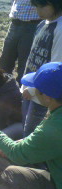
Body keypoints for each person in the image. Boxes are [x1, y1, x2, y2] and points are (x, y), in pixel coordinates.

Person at [21, 0, 62, 137]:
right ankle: (22, 152)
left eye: (43, 6)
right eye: (36, 6)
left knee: (32, 131)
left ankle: (29, 157)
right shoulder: (42, 24)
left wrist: (35, 89)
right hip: (30, 86)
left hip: (43, 93)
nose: (38, 11)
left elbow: (57, 68)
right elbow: (33, 54)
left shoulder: (60, 29)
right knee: (25, 124)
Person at [0, 0, 41, 85]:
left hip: (32, 25)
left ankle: (21, 93)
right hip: (15, 24)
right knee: (5, 61)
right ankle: (3, 90)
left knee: (25, 64)